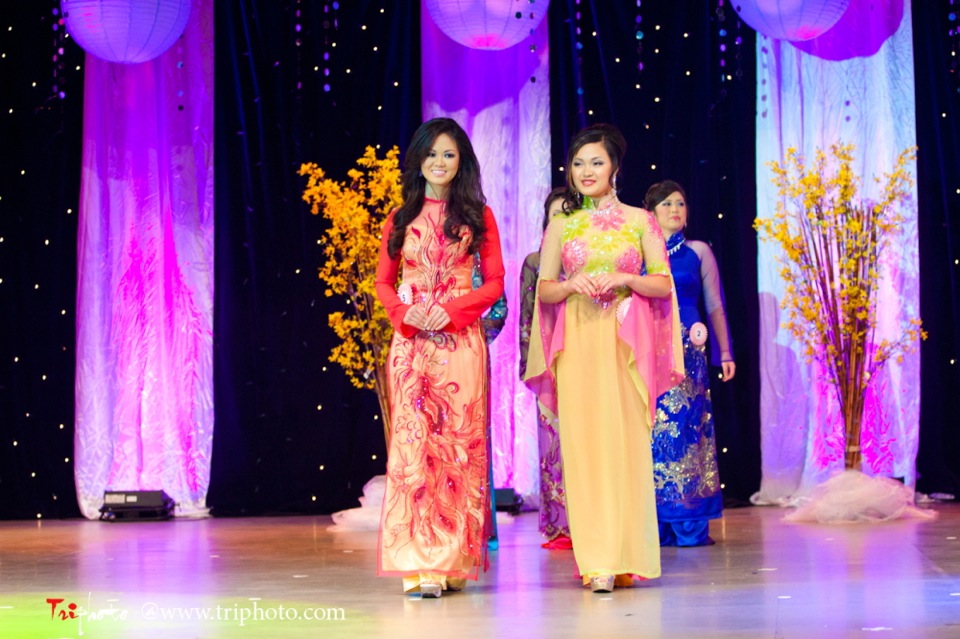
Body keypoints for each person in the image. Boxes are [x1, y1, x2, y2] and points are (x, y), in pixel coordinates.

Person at [524, 123, 683, 593]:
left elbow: (663, 282)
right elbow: (545, 288)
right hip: (578, 343)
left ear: (614, 167)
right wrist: (573, 284)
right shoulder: (562, 225)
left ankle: (626, 555)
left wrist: (623, 279)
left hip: (623, 343)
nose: (586, 171)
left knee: (625, 447)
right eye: (578, 164)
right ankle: (595, 561)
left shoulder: (640, 221)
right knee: (585, 450)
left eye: (596, 162)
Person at [374, 118, 505, 598]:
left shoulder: (478, 216)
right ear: (419, 160)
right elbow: (384, 283)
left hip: (459, 342)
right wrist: (408, 316)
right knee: (413, 449)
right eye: (432, 154)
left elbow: (494, 283)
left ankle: (450, 560)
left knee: (457, 446)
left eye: (449, 155)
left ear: (462, 160)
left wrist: (448, 312)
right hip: (412, 347)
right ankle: (417, 561)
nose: (440, 163)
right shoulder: (400, 217)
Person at [645, 180, 735, 547]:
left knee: (688, 432)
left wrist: (724, 352)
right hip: (650, 352)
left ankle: (689, 520)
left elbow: (714, 303)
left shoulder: (698, 251)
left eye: (680, 203)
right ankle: (656, 520)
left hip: (689, 354)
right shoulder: (640, 252)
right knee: (653, 434)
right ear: (651, 213)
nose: (674, 210)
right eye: (666, 204)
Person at [519, 187, 572, 550]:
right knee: (554, 444)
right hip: (548, 358)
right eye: (555, 215)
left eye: (567, 215)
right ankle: (560, 526)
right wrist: (530, 364)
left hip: (585, 354)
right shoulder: (535, 262)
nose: (561, 223)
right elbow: (526, 318)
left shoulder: (592, 260)